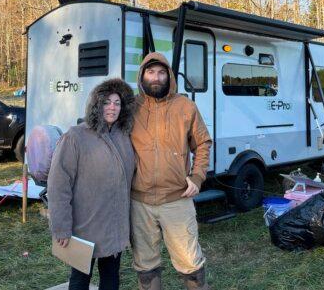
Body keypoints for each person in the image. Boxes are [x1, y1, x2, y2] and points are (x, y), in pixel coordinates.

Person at [130, 52, 212, 290]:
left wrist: (197, 176)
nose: (156, 77)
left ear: (169, 76)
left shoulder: (185, 107)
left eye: (161, 72)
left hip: (177, 199)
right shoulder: (131, 107)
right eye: (151, 72)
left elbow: (203, 143)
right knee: (145, 264)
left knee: (190, 261)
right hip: (139, 202)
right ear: (142, 75)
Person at [48, 78, 136, 290]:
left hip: (114, 224)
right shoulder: (76, 136)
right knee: (80, 279)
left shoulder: (124, 136)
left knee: (111, 277)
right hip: (85, 225)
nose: (112, 107)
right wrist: (61, 227)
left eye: (117, 103)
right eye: (107, 102)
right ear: (97, 105)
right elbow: (58, 185)